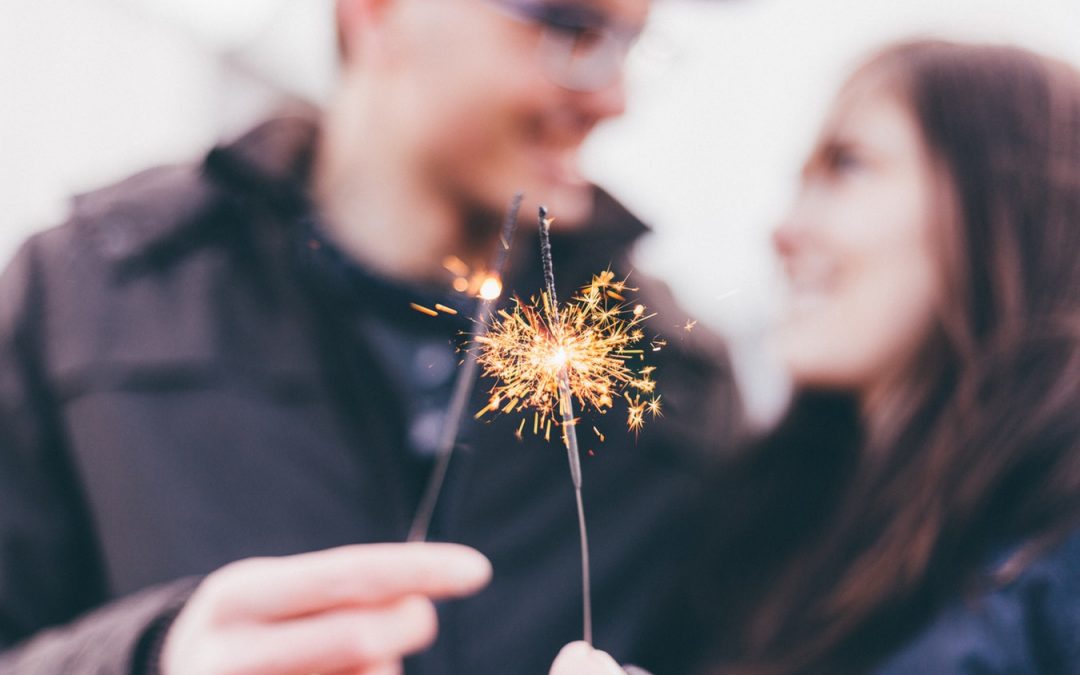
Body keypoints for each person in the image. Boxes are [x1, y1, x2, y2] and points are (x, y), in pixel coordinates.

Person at [0, 0, 742, 673]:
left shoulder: (677, 390)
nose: (613, 99)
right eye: (569, 28)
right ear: (377, 12)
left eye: (632, 44)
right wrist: (152, 659)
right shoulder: (83, 296)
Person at [550, 39, 1080, 675]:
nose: (784, 232)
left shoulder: (1058, 555)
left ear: (1012, 202)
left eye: (848, 167)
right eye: (802, 182)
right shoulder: (765, 527)